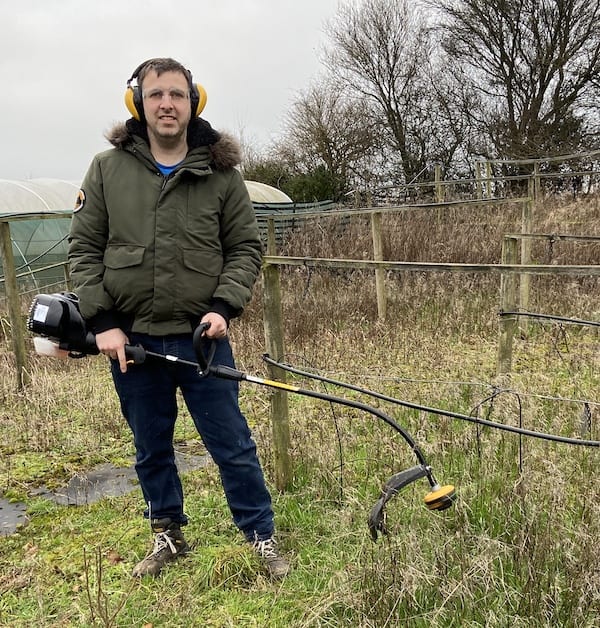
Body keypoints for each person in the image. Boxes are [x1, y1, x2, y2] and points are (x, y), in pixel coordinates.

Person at [68, 57, 289, 579]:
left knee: (232, 443)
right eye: (155, 95)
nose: (167, 104)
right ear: (138, 105)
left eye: (177, 95)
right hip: (133, 344)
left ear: (194, 102)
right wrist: (103, 324)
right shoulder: (106, 169)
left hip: (202, 340)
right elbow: (83, 250)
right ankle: (167, 535)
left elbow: (244, 249)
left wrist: (223, 308)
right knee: (151, 447)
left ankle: (261, 536)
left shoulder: (222, 175)